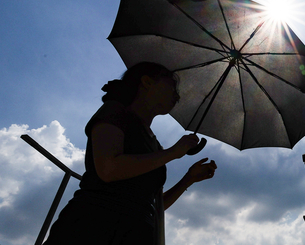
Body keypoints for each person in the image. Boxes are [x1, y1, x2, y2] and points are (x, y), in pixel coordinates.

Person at [44, 62, 217, 245]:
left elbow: (155, 206)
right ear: (147, 82)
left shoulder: (155, 146)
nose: (177, 95)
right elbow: (109, 169)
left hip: (136, 233)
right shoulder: (115, 112)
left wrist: (188, 179)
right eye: (172, 86)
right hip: (93, 225)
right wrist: (173, 152)